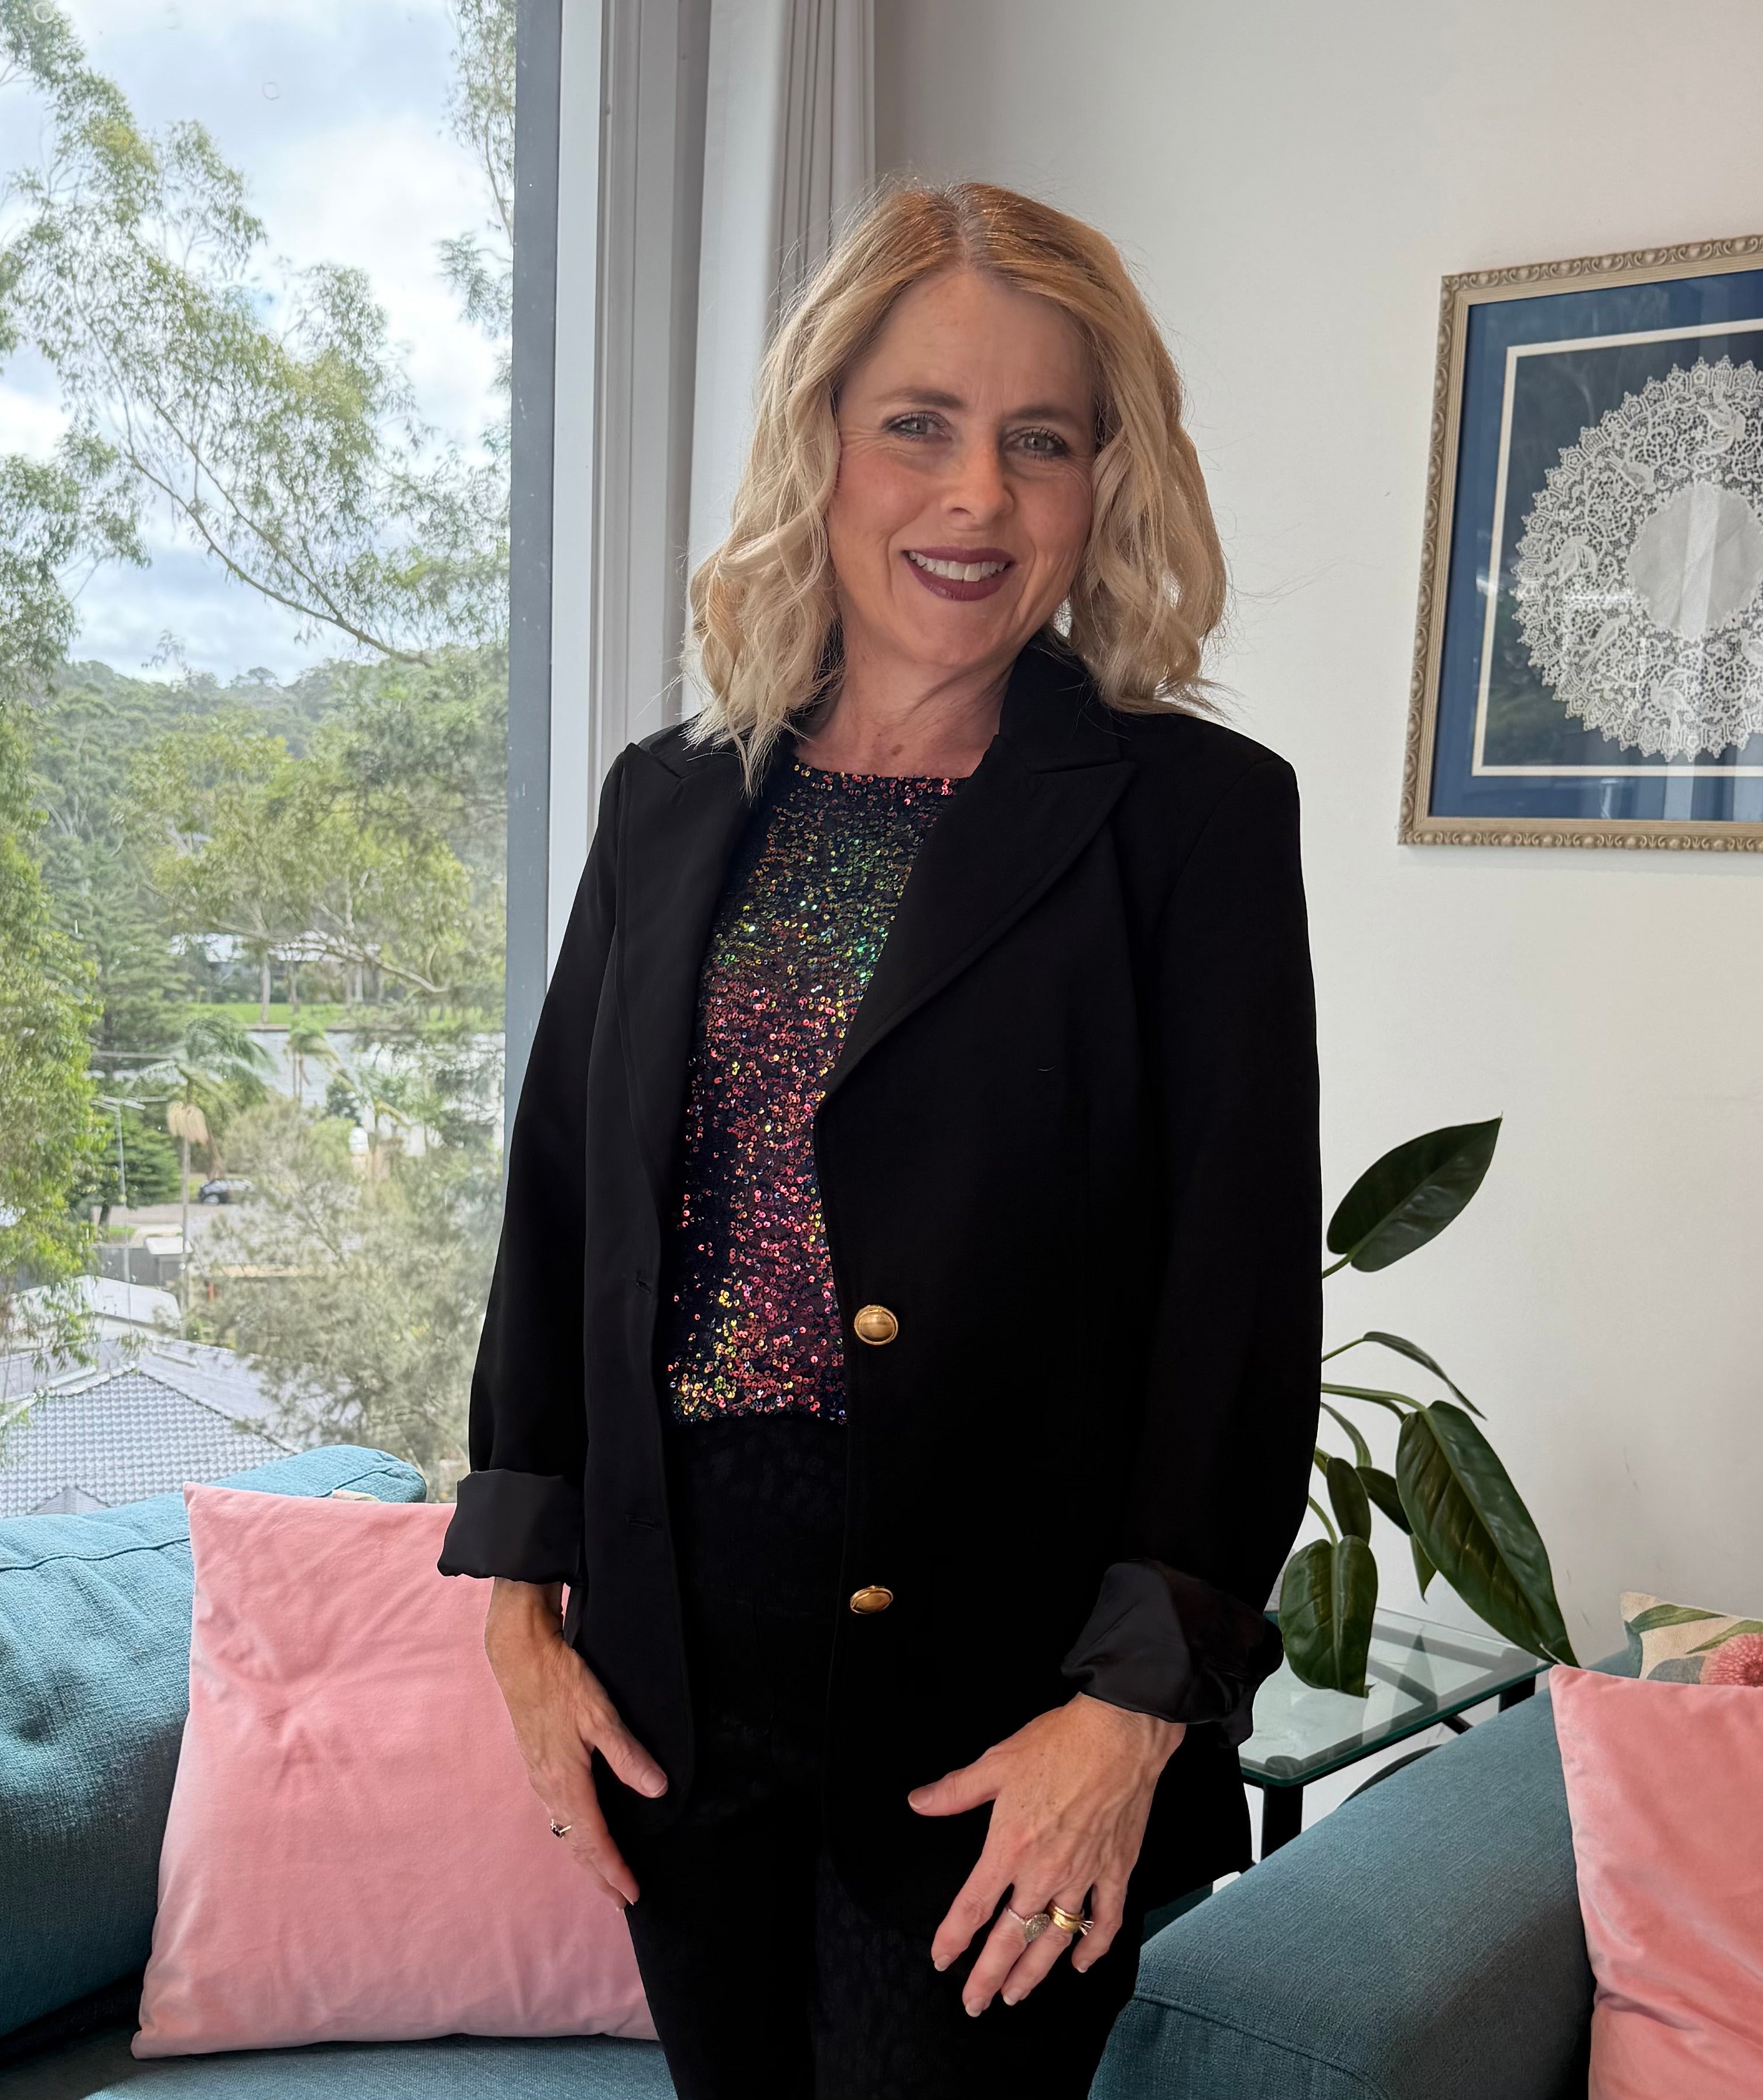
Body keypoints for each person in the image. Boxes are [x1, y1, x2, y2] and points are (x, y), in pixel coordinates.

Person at [438, 180, 1320, 2100]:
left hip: (1002, 1694)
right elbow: (563, 1205)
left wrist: (1130, 1707)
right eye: (917, 421)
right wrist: (521, 1614)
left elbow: (1234, 1297)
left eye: (1041, 440)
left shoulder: (1192, 817)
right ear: (819, 438)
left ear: (1104, 482)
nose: (975, 497)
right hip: (682, 1667)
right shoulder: (667, 801)